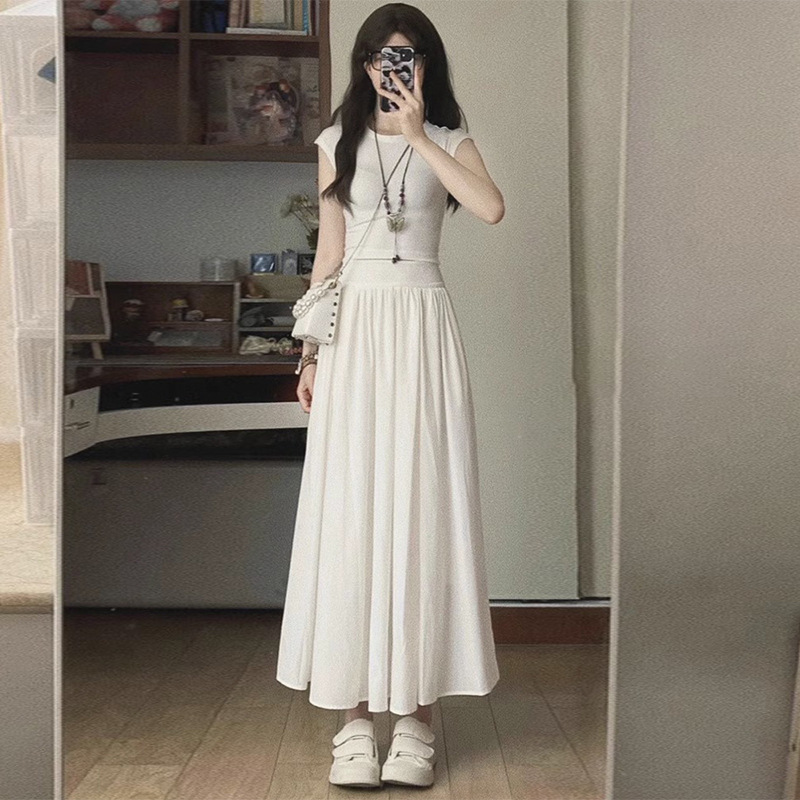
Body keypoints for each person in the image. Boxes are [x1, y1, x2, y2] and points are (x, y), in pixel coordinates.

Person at [275, 2, 504, 789]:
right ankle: (353, 720)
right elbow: (330, 254)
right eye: (379, 57)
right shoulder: (335, 142)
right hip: (357, 334)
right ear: (364, 64)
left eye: (405, 57)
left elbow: (491, 207)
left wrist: (417, 136)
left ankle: (416, 719)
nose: (390, 69)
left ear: (425, 65)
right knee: (354, 513)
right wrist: (309, 352)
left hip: (423, 325)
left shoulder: (448, 139)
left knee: (423, 509)